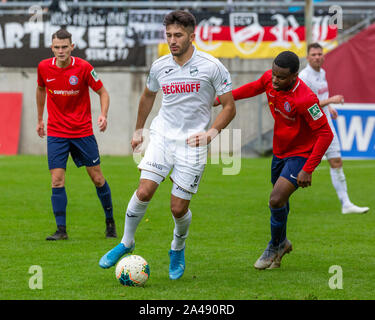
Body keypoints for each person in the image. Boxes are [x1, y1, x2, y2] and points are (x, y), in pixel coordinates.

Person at [99, 10, 236, 280]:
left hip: (193, 143)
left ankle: (178, 247)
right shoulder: (160, 65)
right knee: (144, 190)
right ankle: (126, 242)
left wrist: (210, 134)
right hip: (161, 135)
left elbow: (230, 107)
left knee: (178, 208)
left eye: (178, 35)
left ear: (192, 36)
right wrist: (139, 129)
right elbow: (148, 95)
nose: (172, 40)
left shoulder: (212, 66)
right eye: (169, 35)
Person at [215, 51, 334, 270]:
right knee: (280, 202)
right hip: (279, 152)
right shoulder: (270, 79)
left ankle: (274, 245)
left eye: (281, 77)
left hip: (301, 154)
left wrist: (308, 169)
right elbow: (252, 88)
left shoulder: (306, 99)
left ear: (295, 76)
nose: (274, 80)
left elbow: (326, 134)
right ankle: (283, 244)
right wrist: (222, 99)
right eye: (274, 74)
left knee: (276, 199)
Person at [36, 29, 117, 240]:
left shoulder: (84, 68)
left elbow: (103, 92)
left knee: (97, 178)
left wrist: (104, 115)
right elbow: (40, 89)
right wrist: (39, 119)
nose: (60, 51)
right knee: (56, 180)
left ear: (72, 47)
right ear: (52, 47)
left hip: (82, 132)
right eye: (57, 47)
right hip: (56, 132)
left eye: (64, 47)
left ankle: (110, 222)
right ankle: (61, 230)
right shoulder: (44, 67)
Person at [299, 42, 369, 215]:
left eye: (319, 54)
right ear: (307, 57)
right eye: (313, 55)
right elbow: (305, 105)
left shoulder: (322, 73)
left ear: (323, 56)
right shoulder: (304, 77)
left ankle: (346, 204)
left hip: (326, 124)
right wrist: (330, 101)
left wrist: (328, 107)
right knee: (299, 165)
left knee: (336, 161)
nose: (317, 57)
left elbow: (319, 97)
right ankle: (280, 196)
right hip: (311, 126)